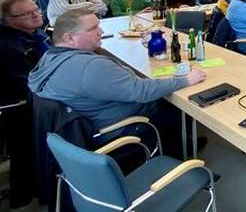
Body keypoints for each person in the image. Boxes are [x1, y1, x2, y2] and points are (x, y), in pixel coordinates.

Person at [28, 8, 206, 158]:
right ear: (69, 38)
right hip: (118, 128)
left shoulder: (50, 58)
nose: (101, 32)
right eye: (93, 29)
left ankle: (183, 143)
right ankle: (181, 155)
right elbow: (142, 91)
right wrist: (186, 79)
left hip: (93, 119)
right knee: (174, 103)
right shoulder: (89, 66)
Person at [0, 0, 48, 208]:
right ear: (10, 20)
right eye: (28, 14)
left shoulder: (28, 35)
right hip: (13, 115)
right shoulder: (8, 48)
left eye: (36, 9)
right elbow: (33, 88)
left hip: (11, 105)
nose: (36, 15)